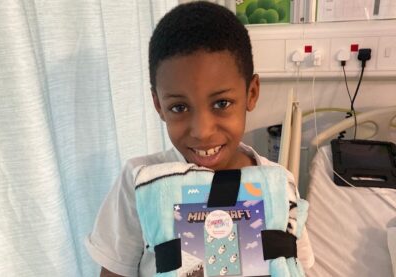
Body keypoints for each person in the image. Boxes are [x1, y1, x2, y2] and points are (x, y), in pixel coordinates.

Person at [85, 2, 314, 276]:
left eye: (222, 103)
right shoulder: (139, 183)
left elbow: (297, 266)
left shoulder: (278, 186)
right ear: (159, 106)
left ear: (251, 93)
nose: (202, 131)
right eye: (179, 108)